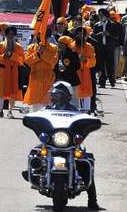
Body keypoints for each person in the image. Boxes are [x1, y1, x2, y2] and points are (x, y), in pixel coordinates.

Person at [22, 81, 100, 210]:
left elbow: (85, 118)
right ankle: (34, 172)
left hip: (69, 144)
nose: (56, 97)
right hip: (52, 143)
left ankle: (93, 200)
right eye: (54, 94)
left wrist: (90, 121)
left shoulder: (76, 112)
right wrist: (30, 117)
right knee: (35, 153)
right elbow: (36, 116)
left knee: (87, 162)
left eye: (60, 95)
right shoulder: (46, 110)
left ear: (68, 97)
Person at [0, 26, 25, 118]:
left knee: (13, 92)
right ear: (6, 35)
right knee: (0, 90)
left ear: (15, 35)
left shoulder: (18, 47)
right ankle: (0, 109)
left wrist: (12, 55)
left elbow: (22, 60)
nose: (10, 36)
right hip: (2, 71)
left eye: (12, 34)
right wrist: (4, 56)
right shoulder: (0, 45)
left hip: (13, 71)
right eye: (8, 34)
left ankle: (10, 111)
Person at [24, 32, 58, 112]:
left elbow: (54, 61)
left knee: (47, 101)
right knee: (35, 102)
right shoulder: (31, 47)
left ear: (48, 37)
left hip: (48, 78)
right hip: (35, 78)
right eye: (39, 35)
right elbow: (27, 61)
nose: (41, 37)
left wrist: (44, 53)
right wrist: (38, 54)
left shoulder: (53, 48)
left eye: (44, 36)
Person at [93, 8, 121, 88]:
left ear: (106, 16)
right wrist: (100, 34)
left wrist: (109, 34)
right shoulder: (97, 25)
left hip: (109, 48)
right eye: (100, 15)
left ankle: (112, 81)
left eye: (102, 15)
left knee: (110, 65)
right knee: (101, 65)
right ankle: (102, 83)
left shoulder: (113, 24)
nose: (101, 16)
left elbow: (117, 36)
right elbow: (93, 36)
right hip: (100, 48)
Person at [56, 35, 82, 106]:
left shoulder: (71, 53)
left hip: (72, 80)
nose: (58, 44)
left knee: (74, 100)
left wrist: (67, 69)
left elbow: (77, 66)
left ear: (65, 44)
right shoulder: (60, 52)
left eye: (60, 43)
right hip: (64, 80)